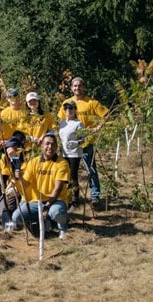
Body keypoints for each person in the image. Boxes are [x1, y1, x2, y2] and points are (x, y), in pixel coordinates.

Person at [57, 77, 108, 205]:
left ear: (84, 87)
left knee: (90, 169)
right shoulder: (67, 103)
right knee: (70, 172)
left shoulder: (92, 103)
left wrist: (97, 128)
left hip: (86, 142)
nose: (77, 88)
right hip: (70, 146)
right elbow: (61, 121)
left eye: (79, 86)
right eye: (74, 86)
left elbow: (106, 116)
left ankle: (95, 195)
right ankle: (71, 196)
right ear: (71, 88)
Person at [12, 134, 70, 239]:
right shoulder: (34, 162)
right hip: (37, 201)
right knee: (16, 217)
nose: (50, 147)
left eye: (53, 144)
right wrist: (19, 178)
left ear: (56, 147)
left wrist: (47, 206)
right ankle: (43, 222)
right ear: (41, 146)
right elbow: (26, 184)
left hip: (55, 200)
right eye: (47, 144)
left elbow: (58, 189)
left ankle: (62, 229)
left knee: (56, 212)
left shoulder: (62, 163)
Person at [58, 100, 86, 209]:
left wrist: (76, 143)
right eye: (66, 109)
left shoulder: (78, 123)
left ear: (75, 110)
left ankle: (75, 199)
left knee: (73, 176)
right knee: (65, 176)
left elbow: (84, 139)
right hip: (64, 153)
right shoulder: (62, 123)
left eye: (71, 108)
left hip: (74, 153)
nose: (68, 110)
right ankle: (67, 197)